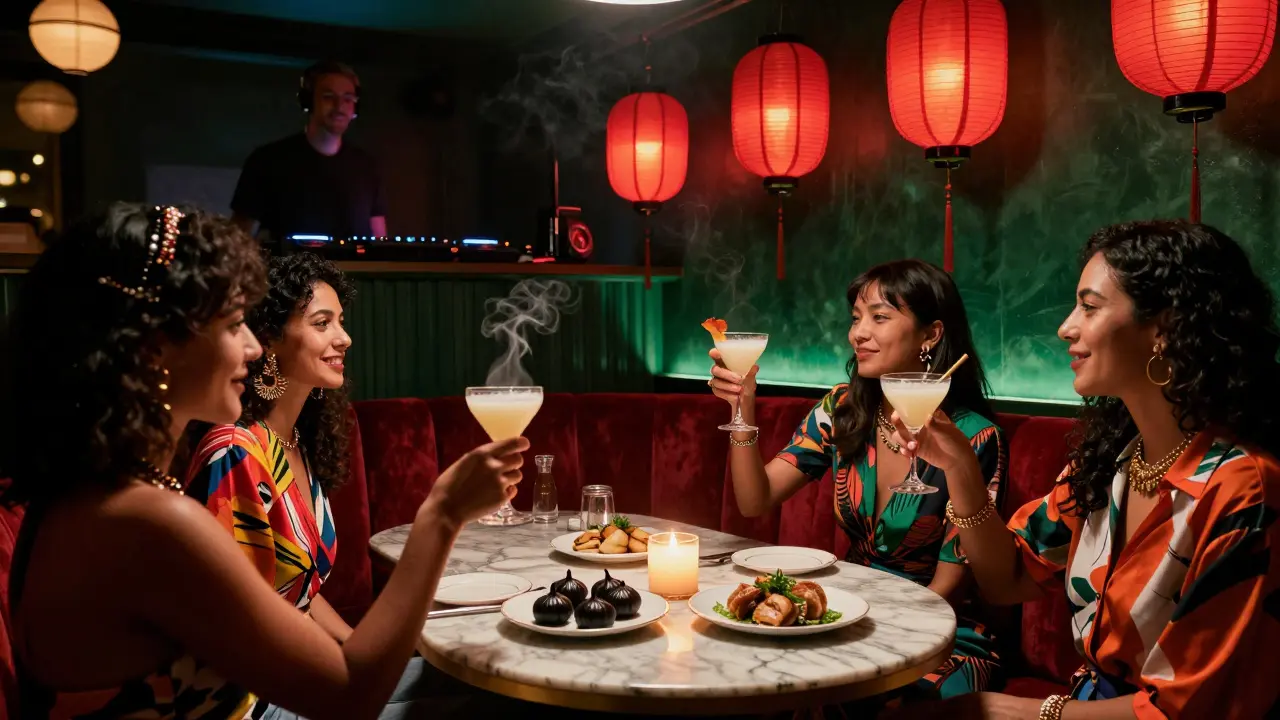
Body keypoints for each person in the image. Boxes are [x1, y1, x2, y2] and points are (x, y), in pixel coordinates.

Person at [2, 203, 526, 720]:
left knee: (501, 683)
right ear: (154, 347)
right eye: (234, 324)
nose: (254, 347)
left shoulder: (86, 494)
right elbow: (350, 697)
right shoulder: (149, 521)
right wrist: (441, 515)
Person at [886, 220, 1280, 719]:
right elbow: (1006, 579)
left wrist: (1020, 711)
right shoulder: (1112, 461)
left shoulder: (1241, 488)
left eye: (1089, 307)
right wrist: (961, 468)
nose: (1065, 326)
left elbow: (1188, 710)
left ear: (1165, 327)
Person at [708, 258, 1007, 699]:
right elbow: (756, 499)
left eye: (879, 317)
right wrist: (742, 407)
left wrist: (861, 629)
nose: (857, 333)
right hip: (853, 616)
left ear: (931, 334)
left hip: (941, 633)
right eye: (856, 318)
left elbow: (949, 585)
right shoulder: (842, 409)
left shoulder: (972, 438)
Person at [231, 60, 387, 253]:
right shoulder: (267, 160)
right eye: (329, 97)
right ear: (308, 102)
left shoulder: (367, 167)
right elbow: (239, 237)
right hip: (286, 278)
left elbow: (380, 240)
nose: (339, 106)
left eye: (347, 99)